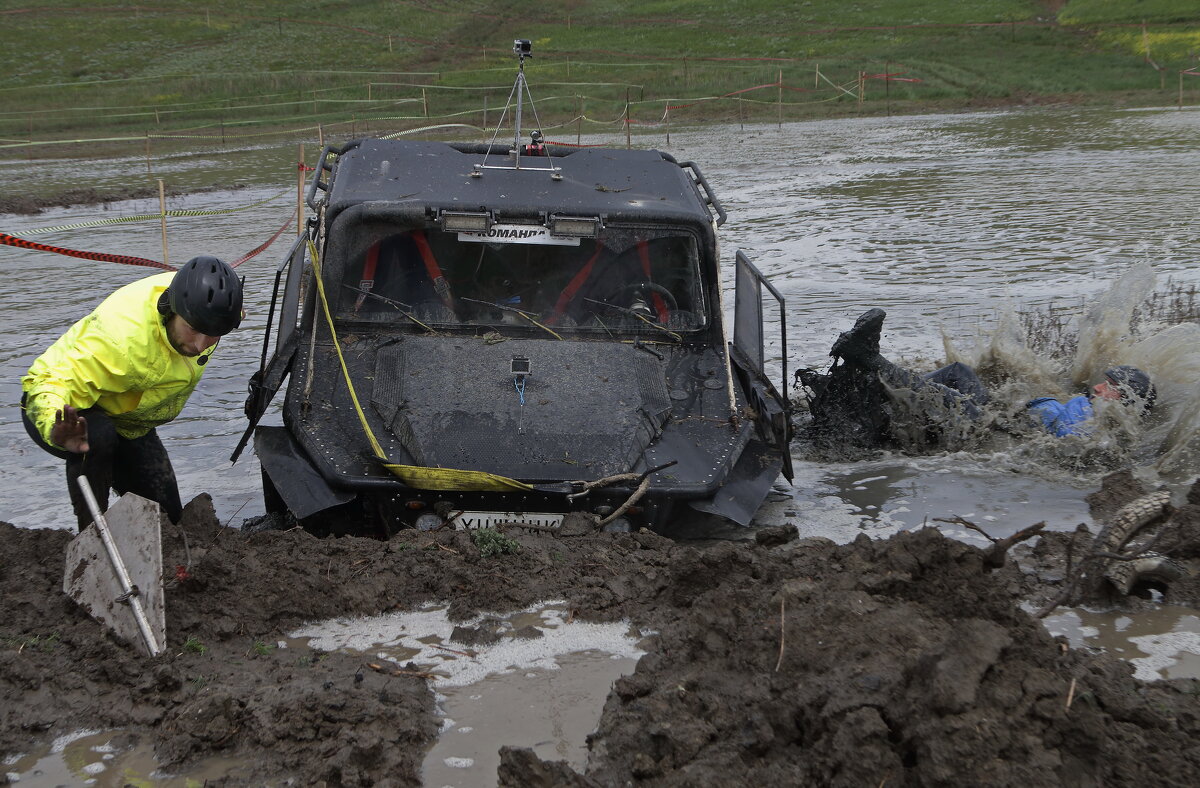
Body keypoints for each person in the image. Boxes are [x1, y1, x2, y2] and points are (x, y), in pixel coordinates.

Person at [20, 256, 244, 530]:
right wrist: (52, 424)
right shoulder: (119, 339)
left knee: (167, 519)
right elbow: (47, 381)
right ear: (171, 308)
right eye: (194, 330)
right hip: (60, 411)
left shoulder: (216, 316)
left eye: (213, 335)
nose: (200, 345)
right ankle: (92, 538)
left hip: (129, 422)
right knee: (98, 434)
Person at [799, 308, 1155, 449]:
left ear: (1125, 400)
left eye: (1107, 386)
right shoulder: (1093, 409)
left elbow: (1067, 446)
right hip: (1002, 417)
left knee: (941, 397)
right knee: (958, 372)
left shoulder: (1103, 428)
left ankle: (867, 361)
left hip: (1000, 433)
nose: (1097, 386)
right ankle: (875, 389)